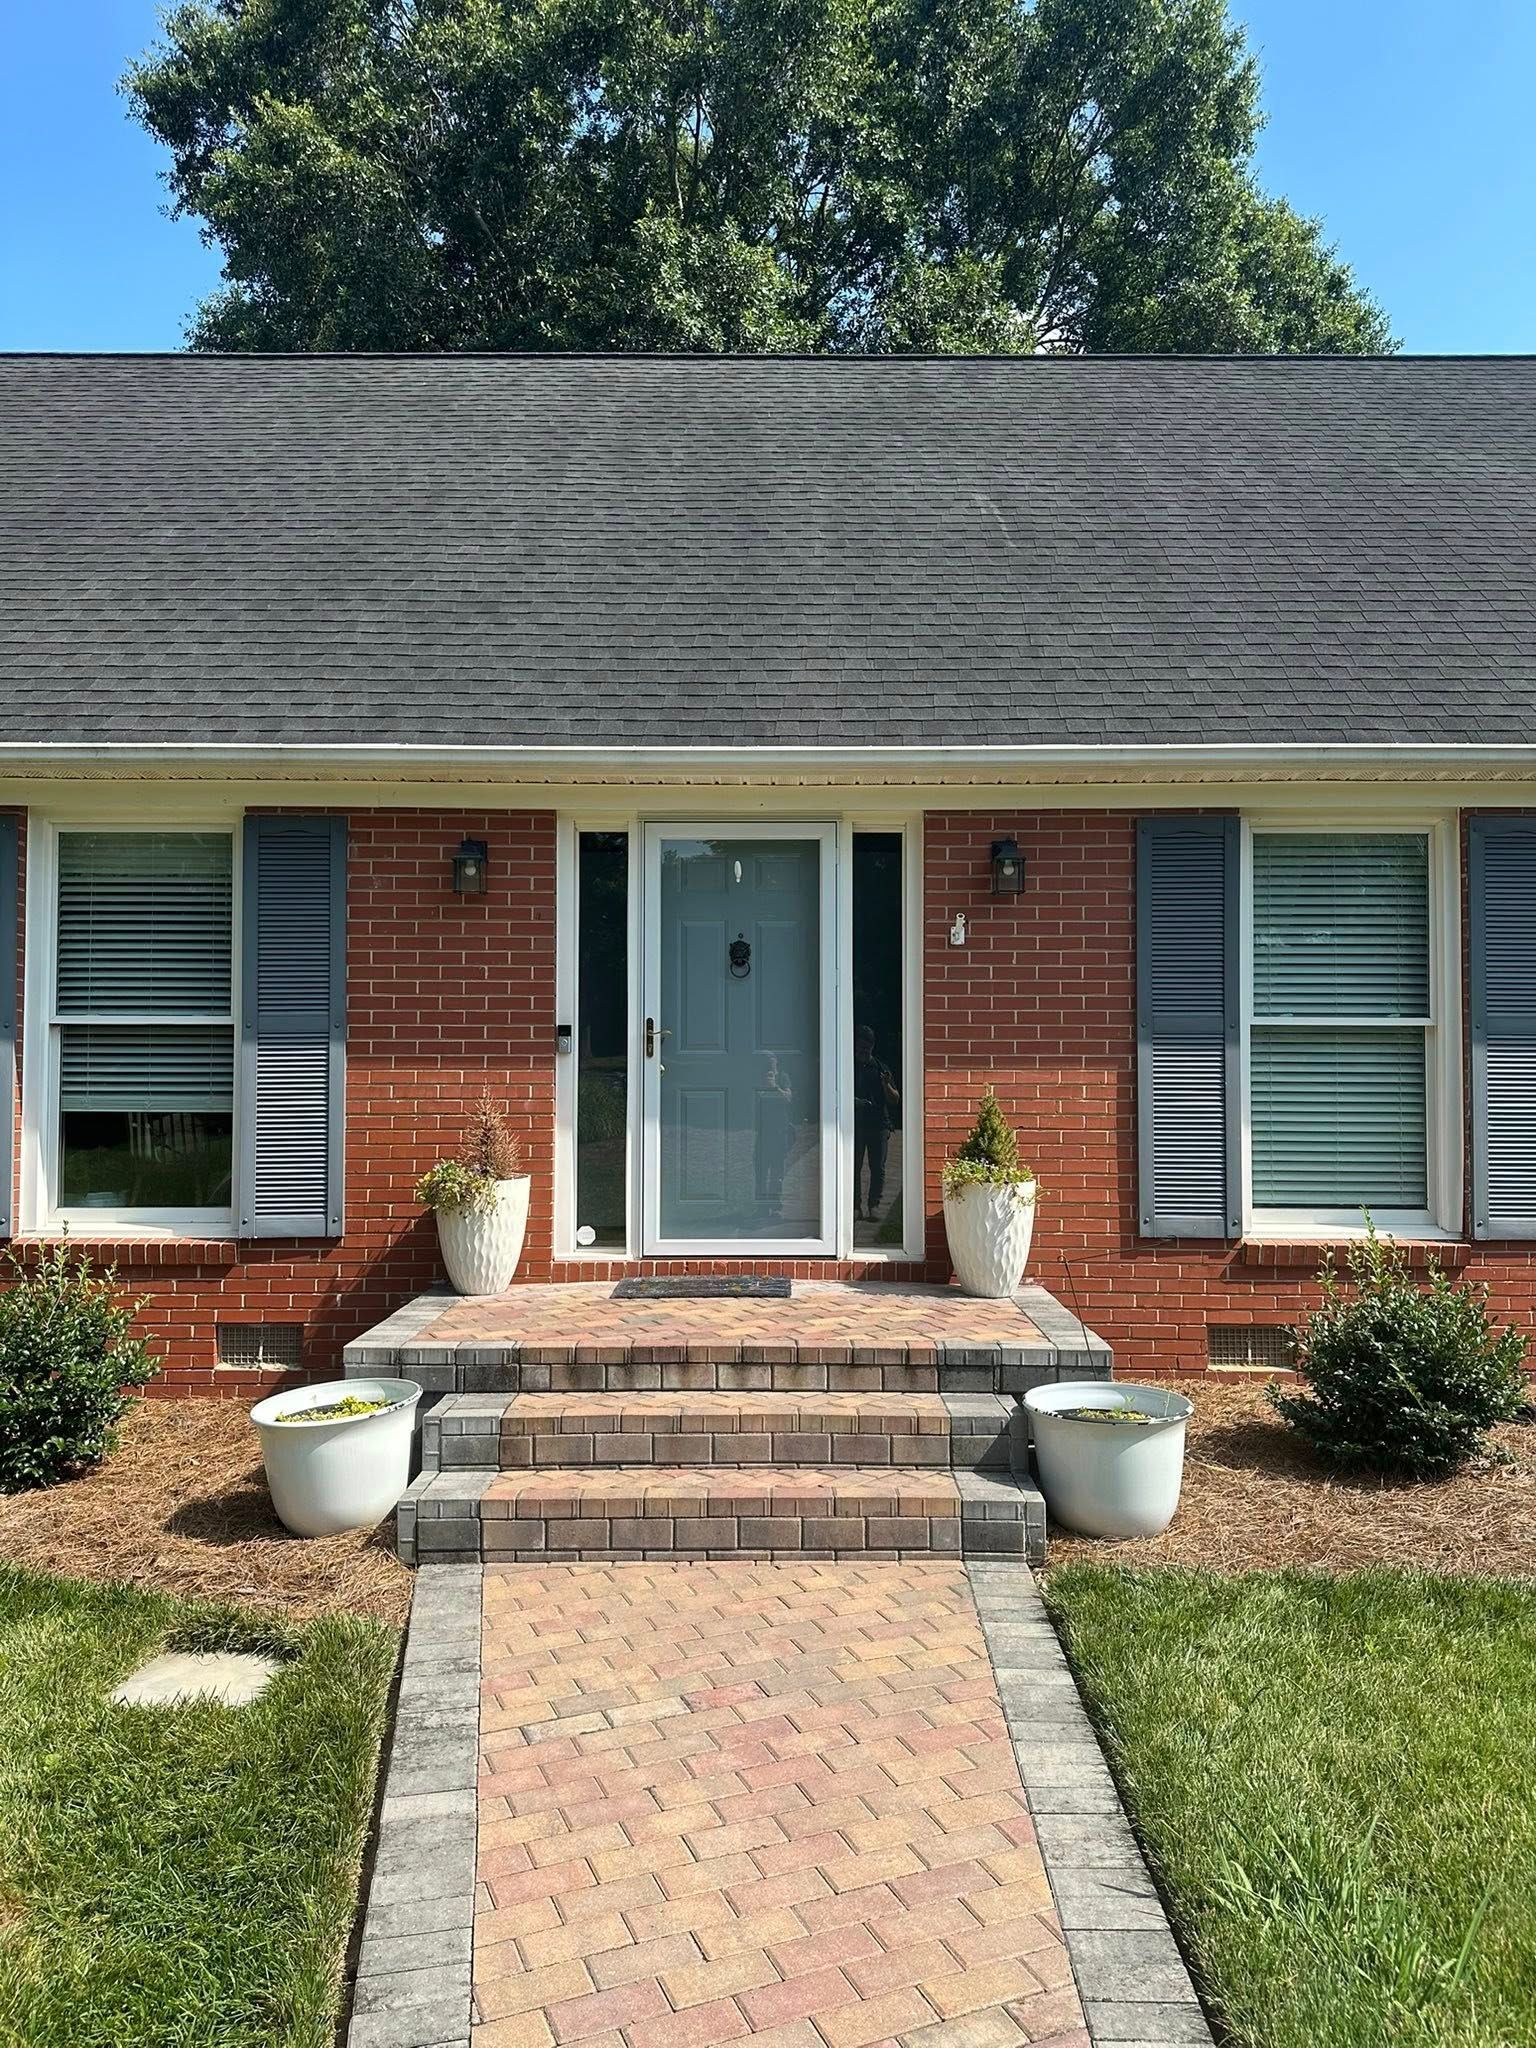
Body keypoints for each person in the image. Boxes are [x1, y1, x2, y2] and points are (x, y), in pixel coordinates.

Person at [852, 1025, 899, 1221]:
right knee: (853, 1166)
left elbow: (895, 1099)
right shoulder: (847, 1066)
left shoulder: (881, 1068)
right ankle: (855, 1207)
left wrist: (886, 1085)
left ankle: (874, 1205)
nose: (863, 1052)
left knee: (877, 1167)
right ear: (854, 1045)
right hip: (854, 1124)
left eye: (867, 1049)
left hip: (879, 1123)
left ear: (872, 1046)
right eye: (861, 1048)